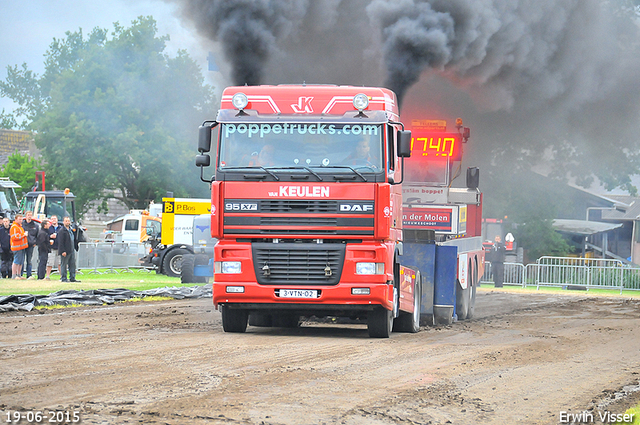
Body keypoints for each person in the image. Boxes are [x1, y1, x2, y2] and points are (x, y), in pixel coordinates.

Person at [58, 216, 80, 283]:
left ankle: (72, 278)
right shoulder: (62, 231)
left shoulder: (71, 230)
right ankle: (64, 278)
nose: (67, 222)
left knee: (72, 264)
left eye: (68, 221)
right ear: (63, 222)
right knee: (64, 265)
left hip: (71, 250)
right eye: (66, 221)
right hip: (65, 250)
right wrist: (63, 251)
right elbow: (60, 242)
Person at [22, 210, 40, 279]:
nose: (29, 216)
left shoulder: (35, 225)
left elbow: (38, 235)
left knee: (29, 260)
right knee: (22, 260)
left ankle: (28, 274)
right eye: (28, 215)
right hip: (23, 244)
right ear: (26, 216)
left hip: (31, 244)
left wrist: (35, 243)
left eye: (30, 215)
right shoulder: (22, 224)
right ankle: (20, 274)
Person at [10, 214, 28, 280]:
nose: (21, 221)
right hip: (17, 247)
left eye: (21, 219)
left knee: (21, 261)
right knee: (16, 261)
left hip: (22, 247)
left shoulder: (20, 226)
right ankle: (14, 275)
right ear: (16, 219)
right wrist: (23, 235)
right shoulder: (14, 227)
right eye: (19, 219)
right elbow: (14, 237)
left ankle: (19, 275)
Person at [46, 215, 62, 280]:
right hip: (51, 247)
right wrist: (50, 237)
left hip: (59, 247)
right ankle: (47, 276)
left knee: (60, 263)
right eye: (52, 219)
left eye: (55, 219)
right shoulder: (49, 228)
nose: (54, 220)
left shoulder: (60, 228)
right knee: (50, 262)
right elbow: (46, 235)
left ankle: (62, 276)